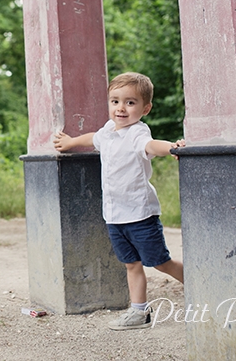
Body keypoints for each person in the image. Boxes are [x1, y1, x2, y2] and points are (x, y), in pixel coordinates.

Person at [53, 72, 184, 330]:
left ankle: (204, 287)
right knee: (131, 264)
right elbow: (93, 138)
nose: (120, 108)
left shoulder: (137, 133)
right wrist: (70, 142)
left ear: (145, 108)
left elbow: (151, 145)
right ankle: (139, 312)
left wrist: (172, 148)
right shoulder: (108, 131)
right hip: (114, 215)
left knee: (160, 262)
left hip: (140, 215)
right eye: (115, 101)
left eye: (130, 102)